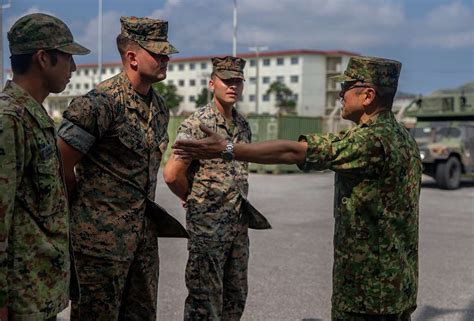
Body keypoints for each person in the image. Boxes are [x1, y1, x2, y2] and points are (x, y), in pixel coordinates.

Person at [173, 56, 422, 321]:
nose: (340, 94)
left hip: (369, 291)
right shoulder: (402, 137)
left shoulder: (370, 142)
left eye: (346, 87)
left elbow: (294, 152)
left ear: (368, 96)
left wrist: (227, 148)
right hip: (398, 284)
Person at [57, 16, 178, 321]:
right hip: (100, 245)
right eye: (158, 54)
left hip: (142, 241)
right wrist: (89, 209)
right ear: (132, 57)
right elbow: (60, 162)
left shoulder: (159, 106)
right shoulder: (101, 103)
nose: (165, 60)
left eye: (166, 54)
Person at [164, 56, 270, 320]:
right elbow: (171, 174)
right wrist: (192, 198)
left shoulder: (242, 125)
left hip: (237, 225)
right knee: (205, 300)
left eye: (238, 81)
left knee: (235, 296)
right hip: (208, 228)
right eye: (226, 81)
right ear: (212, 84)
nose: (233, 86)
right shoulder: (197, 124)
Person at [0, 13, 89, 321]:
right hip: (19, 301)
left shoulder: (33, 117)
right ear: (43, 58)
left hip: (38, 295)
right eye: (67, 57)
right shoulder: (9, 120)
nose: (73, 68)